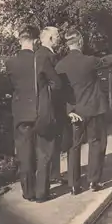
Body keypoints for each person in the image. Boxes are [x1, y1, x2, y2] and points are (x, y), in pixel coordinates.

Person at [55, 28, 112, 195]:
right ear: (80, 42)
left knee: (74, 147)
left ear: (67, 44)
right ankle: (93, 181)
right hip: (94, 109)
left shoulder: (60, 66)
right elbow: (106, 62)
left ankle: (74, 185)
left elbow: (60, 92)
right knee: (96, 143)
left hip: (75, 112)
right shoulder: (89, 61)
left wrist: (69, 110)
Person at [6, 24, 62, 203]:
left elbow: (13, 88)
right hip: (41, 112)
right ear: (37, 40)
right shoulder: (41, 59)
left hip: (21, 114)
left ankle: (27, 192)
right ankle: (41, 193)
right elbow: (57, 84)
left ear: (20, 39)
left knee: (24, 153)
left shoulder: (11, 63)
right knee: (43, 152)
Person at [36, 26, 67, 186]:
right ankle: (48, 180)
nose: (59, 38)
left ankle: (54, 174)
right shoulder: (45, 56)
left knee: (53, 144)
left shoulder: (41, 54)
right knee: (48, 146)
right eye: (56, 36)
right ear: (49, 38)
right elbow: (56, 83)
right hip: (50, 106)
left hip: (47, 105)